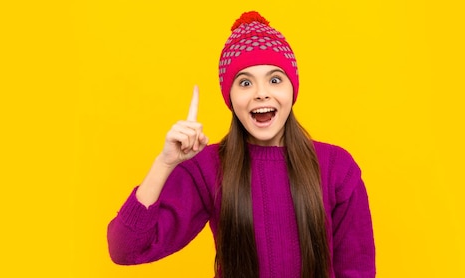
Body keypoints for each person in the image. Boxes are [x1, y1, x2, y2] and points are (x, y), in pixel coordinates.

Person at [107, 11, 375, 278]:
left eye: (274, 79)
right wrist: (164, 163)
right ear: (230, 98)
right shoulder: (207, 168)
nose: (261, 93)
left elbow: (358, 270)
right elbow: (125, 249)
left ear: (292, 89)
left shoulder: (337, 168)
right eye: (245, 82)